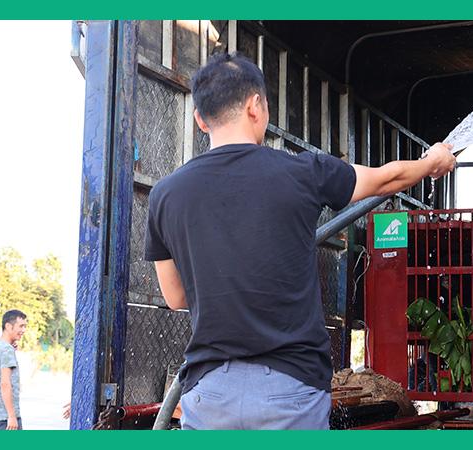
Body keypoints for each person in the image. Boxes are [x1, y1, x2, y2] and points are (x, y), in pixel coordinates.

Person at [145, 52, 455, 430]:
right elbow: (385, 180)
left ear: (199, 119)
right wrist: (431, 162)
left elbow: (176, 297)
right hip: (290, 391)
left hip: (209, 395)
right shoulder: (302, 171)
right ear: (255, 106)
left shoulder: (165, 194)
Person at [0, 309, 27, 430]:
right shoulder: (6, 350)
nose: (23, 330)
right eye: (21, 326)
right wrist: (12, 416)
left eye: (25, 326)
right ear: (8, 326)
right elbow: (5, 383)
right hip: (6, 419)